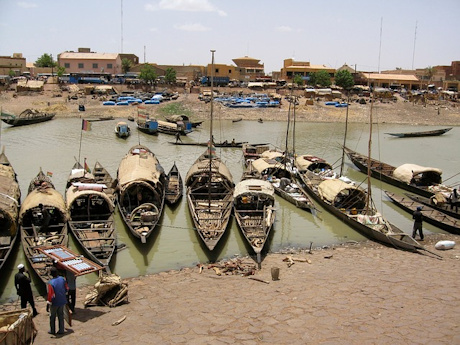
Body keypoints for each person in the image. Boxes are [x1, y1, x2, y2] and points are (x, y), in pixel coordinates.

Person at [47, 267, 69, 335]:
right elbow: (67, 289)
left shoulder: (50, 283)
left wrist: (48, 304)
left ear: (51, 274)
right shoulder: (62, 279)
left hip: (55, 302)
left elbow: (51, 295)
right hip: (62, 300)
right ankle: (61, 330)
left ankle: (52, 330)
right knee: (61, 315)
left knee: (52, 316)